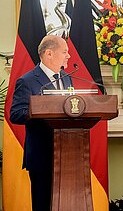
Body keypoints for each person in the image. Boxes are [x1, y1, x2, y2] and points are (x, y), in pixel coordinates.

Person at [10, 35, 72, 211]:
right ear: (49, 53)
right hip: (41, 156)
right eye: (65, 52)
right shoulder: (27, 81)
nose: (68, 56)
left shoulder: (67, 78)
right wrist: (39, 109)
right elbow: (16, 114)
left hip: (68, 154)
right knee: (43, 204)